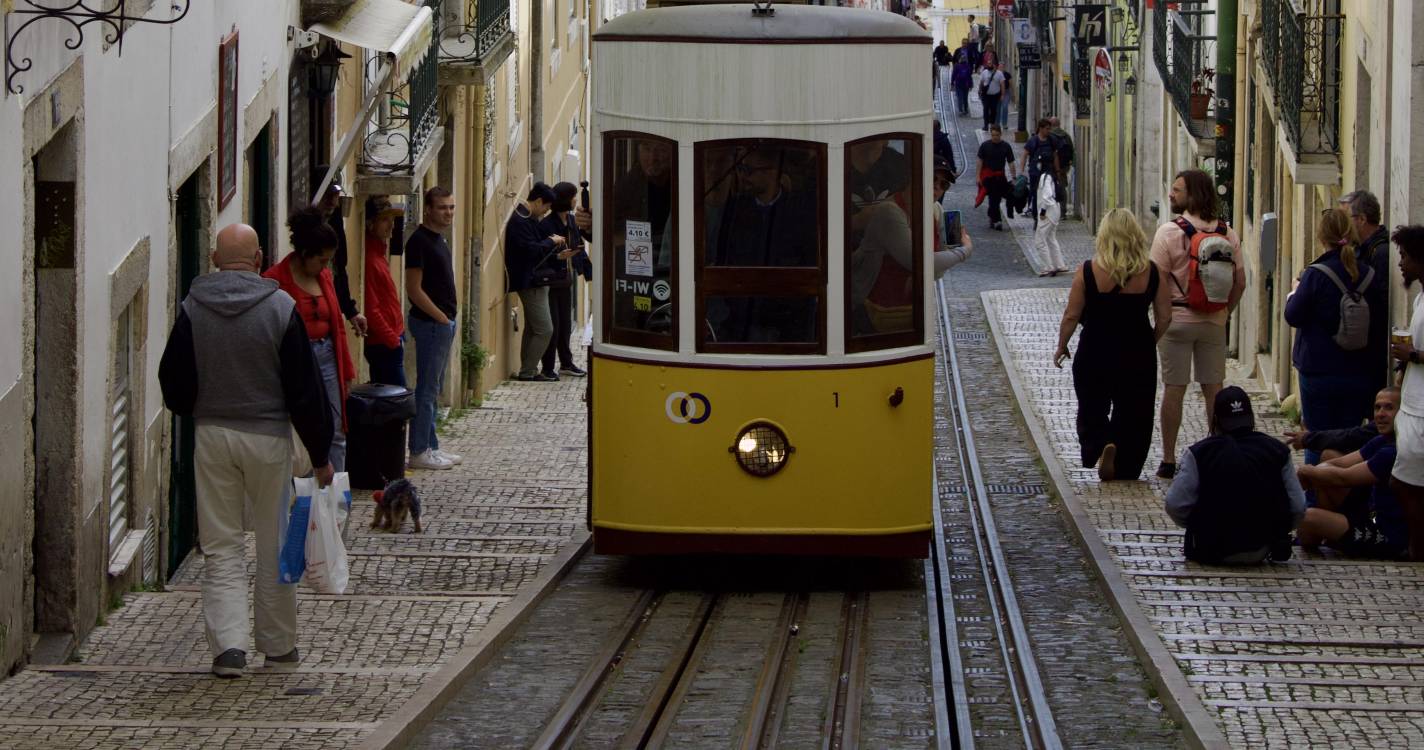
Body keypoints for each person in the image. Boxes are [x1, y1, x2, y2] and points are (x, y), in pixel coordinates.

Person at [158, 223, 334, 678]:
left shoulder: (192, 310)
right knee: (276, 544)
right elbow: (306, 389)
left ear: (214, 260)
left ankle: (229, 650)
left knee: (221, 546)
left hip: (213, 435)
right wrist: (320, 454)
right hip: (269, 439)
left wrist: (201, 405)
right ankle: (278, 648)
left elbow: (172, 382)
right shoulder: (280, 307)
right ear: (259, 261)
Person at [1054, 209, 1172, 481]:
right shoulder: (1151, 272)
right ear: (1135, 235)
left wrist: (1062, 345)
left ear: (1104, 236)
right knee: (1135, 411)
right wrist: (1150, 340)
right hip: (1137, 351)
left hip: (1095, 350)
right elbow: (1165, 316)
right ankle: (1125, 464)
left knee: (1092, 405)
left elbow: (1071, 314)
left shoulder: (1088, 271)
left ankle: (1100, 441)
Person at [1150, 170, 1246, 479]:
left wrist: (1161, 320)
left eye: (1177, 190)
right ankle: (1216, 449)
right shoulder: (1227, 232)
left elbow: (1157, 281)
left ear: (1192, 195)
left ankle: (1167, 458)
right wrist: (1225, 312)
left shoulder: (1168, 232)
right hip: (1213, 322)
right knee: (1213, 390)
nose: (1171, 195)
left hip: (1176, 320)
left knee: (1174, 389)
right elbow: (1241, 282)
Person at [1284, 207, 1388, 468]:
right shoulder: (1368, 274)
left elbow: (1293, 316)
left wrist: (1295, 293)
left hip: (1318, 371)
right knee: (1350, 438)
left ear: (1322, 237)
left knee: (1315, 437)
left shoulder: (1315, 274)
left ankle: (1315, 498)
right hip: (1358, 372)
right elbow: (1378, 323)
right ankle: (1348, 499)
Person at [1165, 386, 1306, 564]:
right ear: (1251, 418)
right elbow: (1298, 507)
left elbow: (1175, 504)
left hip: (1210, 547)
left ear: (1215, 420)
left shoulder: (1199, 453)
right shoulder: (1278, 450)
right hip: (1262, 547)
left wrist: (1200, 525)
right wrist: (1274, 529)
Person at [263, 207, 356, 475]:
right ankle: (302, 491)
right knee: (298, 428)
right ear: (304, 255)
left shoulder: (324, 277)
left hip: (326, 355)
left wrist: (346, 371)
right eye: (322, 261)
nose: (325, 267)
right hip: (296, 361)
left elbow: (337, 325)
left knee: (336, 428)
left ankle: (335, 497)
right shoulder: (274, 281)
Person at [1296, 388, 1407, 558]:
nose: (1380, 414)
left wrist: (1306, 471)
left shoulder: (1392, 452)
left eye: (1389, 408)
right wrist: (1313, 474)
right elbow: (1338, 463)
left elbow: (1343, 477)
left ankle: (1323, 536)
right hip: (1371, 514)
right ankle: (1329, 535)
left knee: (1307, 518)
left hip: (1387, 535)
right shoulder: (1382, 440)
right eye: (1377, 408)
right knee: (1326, 462)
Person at [405, 187, 463, 470]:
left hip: (442, 323)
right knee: (426, 390)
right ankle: (418, 450)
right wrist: (440, 317)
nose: (448, 213)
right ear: (427, 209)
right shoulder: (418, 242)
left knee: (433, 388)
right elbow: (413, 290)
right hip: (431, 324)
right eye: (442, 207)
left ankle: (432, 446)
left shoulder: (439, 239)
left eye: (451, 207)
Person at [505, 182, 570, 381]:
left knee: (533, 328)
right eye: (546, 208)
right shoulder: (521, 221)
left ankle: (527, 369)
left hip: (534, 279)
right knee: (545, 329)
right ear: (539, 201)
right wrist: (551, 241)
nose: (545, 213)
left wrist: (557, 253)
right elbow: (529, 250)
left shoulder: (526, 218)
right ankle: (528, 370)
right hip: (530, 281)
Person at [1388, 225, 1424, 561]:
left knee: (1405, 481)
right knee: (1403, 480)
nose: (1401, 263)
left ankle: (1418, 548)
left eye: (1406, 257)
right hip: (1413, 404)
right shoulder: (1419, 298)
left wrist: (1413, 355)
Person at [540, 182, 591, 379]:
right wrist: (558, 257)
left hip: (566, 279)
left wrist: (589, 272)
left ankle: (566, 363)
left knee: (565, 324)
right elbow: (542, 252)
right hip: (551, 281)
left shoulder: (571, 221)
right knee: (553, 326)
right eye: (573, 196)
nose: (576, 200)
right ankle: (547, 367)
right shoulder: (546, 225)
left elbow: (579, 247)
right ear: (566, 199)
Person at [312, 168, 368, 339]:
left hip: (331, 309)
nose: (332, 201)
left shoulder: (334, 221)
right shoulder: (308, 228)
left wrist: (350, 311)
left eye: (335, 195)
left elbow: (339, 269)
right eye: (327, 195)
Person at [362, 196, 407, 387]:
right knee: (396, 401)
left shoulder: (379, 255)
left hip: (391, 337)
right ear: (371, 224)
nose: (391, 225)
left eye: (392, 219)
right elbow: (372, 309)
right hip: (383, 343)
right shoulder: (371, 260)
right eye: (384, 220)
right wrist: (392, 339)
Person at [975, 124, 1016, 231]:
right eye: (993, 135)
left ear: (1000, 134)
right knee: (994, 199)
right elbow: (979, 161)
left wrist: (1014, 177)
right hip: (989, 177)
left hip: (1000, 176)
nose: (995, 137)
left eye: (997, 135)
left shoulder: (1006, 146)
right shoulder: (985, 146)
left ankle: (993, 215)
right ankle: (997, 220)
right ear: (990, 134)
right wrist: (978, 176)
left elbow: (1011, 162)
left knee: (1008, 196)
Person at [1341, 189, 1389, 279]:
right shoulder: (1359, 248)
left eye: (1345, 219)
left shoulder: (1381, 252)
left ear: (1362, 219)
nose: (1342, 224)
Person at [1021, 119, 1060, 223]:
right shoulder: (1032, 141)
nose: (1049, 131)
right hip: (1035, 173)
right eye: (1047, 129)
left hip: (1049, 172)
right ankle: (1036, 217)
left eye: (1049, 128)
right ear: (1041, 129)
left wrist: (1058, 171)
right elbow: (1024, 155)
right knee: (1035, 195)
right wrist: (1022, 171)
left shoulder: (1052, 140)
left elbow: (1055, 156)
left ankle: (1047, 215)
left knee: (1048, 194)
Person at [1030, 168, 1066, 276]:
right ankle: (1060, 265)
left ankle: (1048, 267)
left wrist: (1043, 211)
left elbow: (1047, 195)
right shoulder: (1052, 175)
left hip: (1048, 213)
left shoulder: (1045, 177)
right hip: (1055, 211)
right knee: (1051, 238)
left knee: (1039, 240)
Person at [1048, 117, 1075, 207]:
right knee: (1062, 187)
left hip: (1051, 166)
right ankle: (1063, 211)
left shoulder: (1049, 136)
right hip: (1063, 167)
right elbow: (1071, 150)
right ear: (1059, 124)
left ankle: (1052, 209)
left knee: (1049, 187)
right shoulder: (1066, 136)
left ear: (1050, 125)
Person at [978, 61, 1006, 132]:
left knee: (993, 110)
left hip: (995, 96)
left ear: (994, 65)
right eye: (988, 64)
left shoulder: (999, 73)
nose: (989, 65)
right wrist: (979, 90)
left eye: (990, 63)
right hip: (986, 95)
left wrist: (1002, 95)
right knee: (986, 109)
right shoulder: (984, 72)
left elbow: (1002, 84)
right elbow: (981, 82)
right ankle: (986, 125)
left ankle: (992, 124)